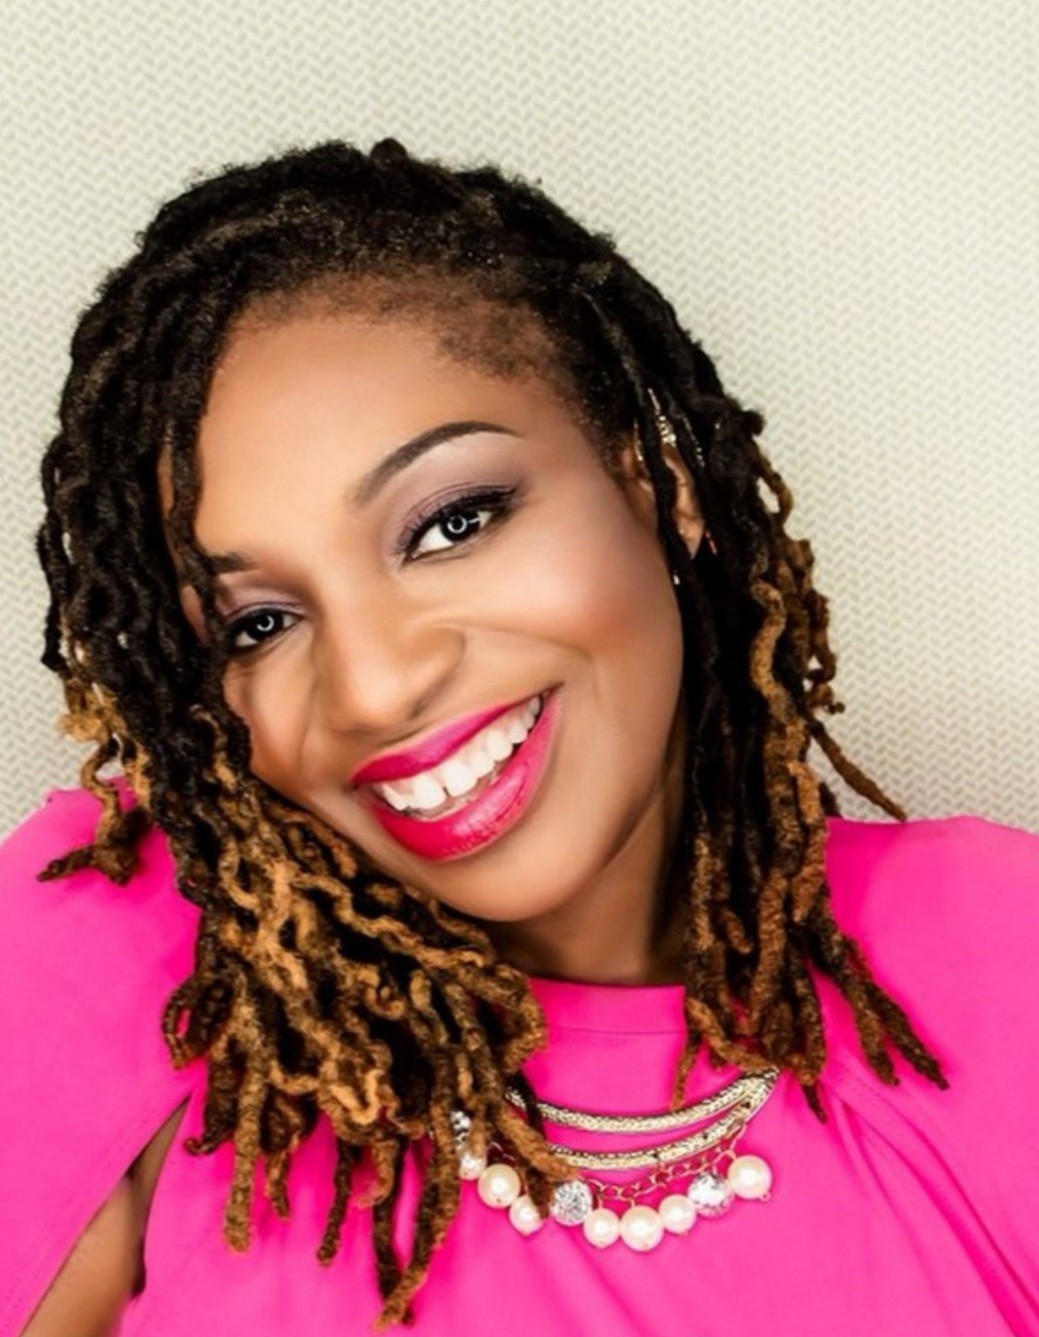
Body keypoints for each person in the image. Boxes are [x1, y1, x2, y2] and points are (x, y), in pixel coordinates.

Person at [1, 137, 1036, 1337]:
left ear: (658, 486)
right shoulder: (135, 941)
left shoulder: (992, 957)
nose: (375, 686)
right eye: (260, 622)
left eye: (453, 521)